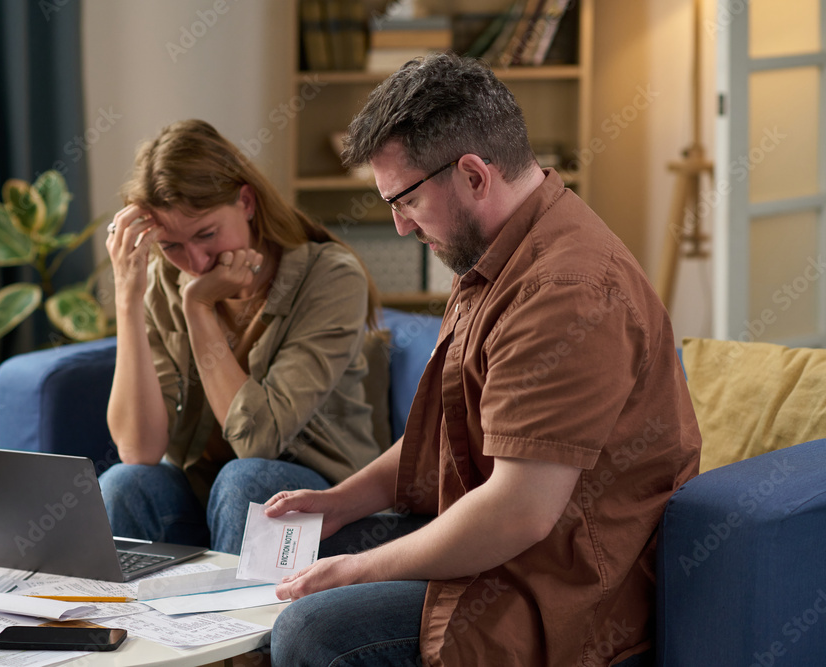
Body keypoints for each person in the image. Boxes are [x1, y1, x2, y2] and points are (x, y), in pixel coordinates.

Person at [266, 54, 702, 667]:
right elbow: (451, 434)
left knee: (309, 630)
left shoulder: (565, 292)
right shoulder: (498, 253)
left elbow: (518, 512)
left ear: (473, 175)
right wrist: (343, 500)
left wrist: (359, 569)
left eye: (405, 201)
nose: (398, 227)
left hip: (547, 589)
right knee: (261, 500)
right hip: (497, 545)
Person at [99, 119, 383, 554]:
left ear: (246, 202)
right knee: (124, 483)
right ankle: (128, 624)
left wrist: (199, 310)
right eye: (171, 245)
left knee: (245, 481)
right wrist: (127, 298)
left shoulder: (329, 278)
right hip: (205, 494)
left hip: (319, 497)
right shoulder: (162, 280)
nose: (194, 261)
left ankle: (234, 625)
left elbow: (257, 441)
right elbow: (139, 449)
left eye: (206, 234)